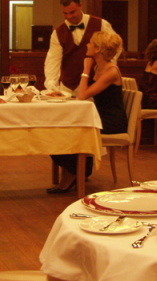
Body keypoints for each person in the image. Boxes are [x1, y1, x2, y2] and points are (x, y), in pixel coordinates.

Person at [47, 31, 127, 193]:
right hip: (99, 117)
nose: (87, 45)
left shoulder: (111, 71)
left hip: (111, 121)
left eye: (90, 43)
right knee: (55, 130)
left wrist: (86, 69)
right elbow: (83, 94)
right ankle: (78, 169)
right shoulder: (99, 67)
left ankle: (75, 172)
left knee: (69, 132)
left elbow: (83, 95)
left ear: (98, 49)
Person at [44, 0, 117, 96]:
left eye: (72, 12)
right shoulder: (58, 33)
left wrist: (106, 69)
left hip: (95, 85)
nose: (69, 16)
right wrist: (52, 85)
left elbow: (115, 47)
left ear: (80, 6)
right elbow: (52, 61)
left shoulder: (101, 24)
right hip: (68, 89)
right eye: (65, 13)